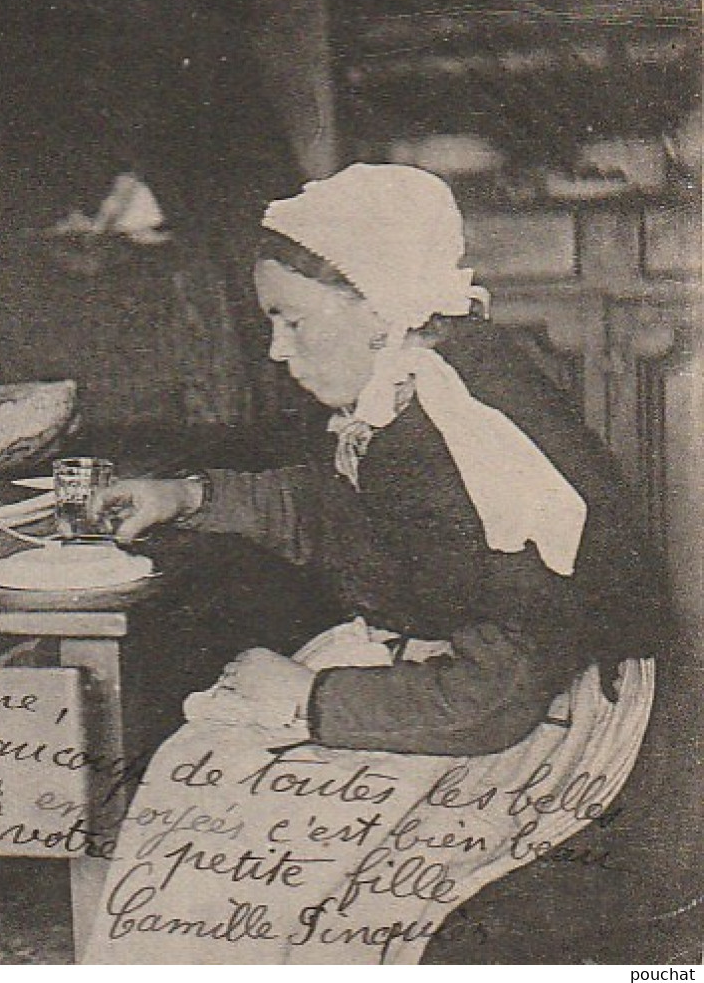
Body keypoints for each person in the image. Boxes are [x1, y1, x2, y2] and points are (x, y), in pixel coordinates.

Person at [91, 163, 683, 959]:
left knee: (246, 833)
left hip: (553, 716)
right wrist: (190, 497)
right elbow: (337, 511)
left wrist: (309, 699)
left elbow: (496, 693)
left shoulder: (463, 437)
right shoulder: (412, 383)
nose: (275, 349)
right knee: (205, 783)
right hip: (468, 675)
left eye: (290, 320)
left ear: (375, 309)